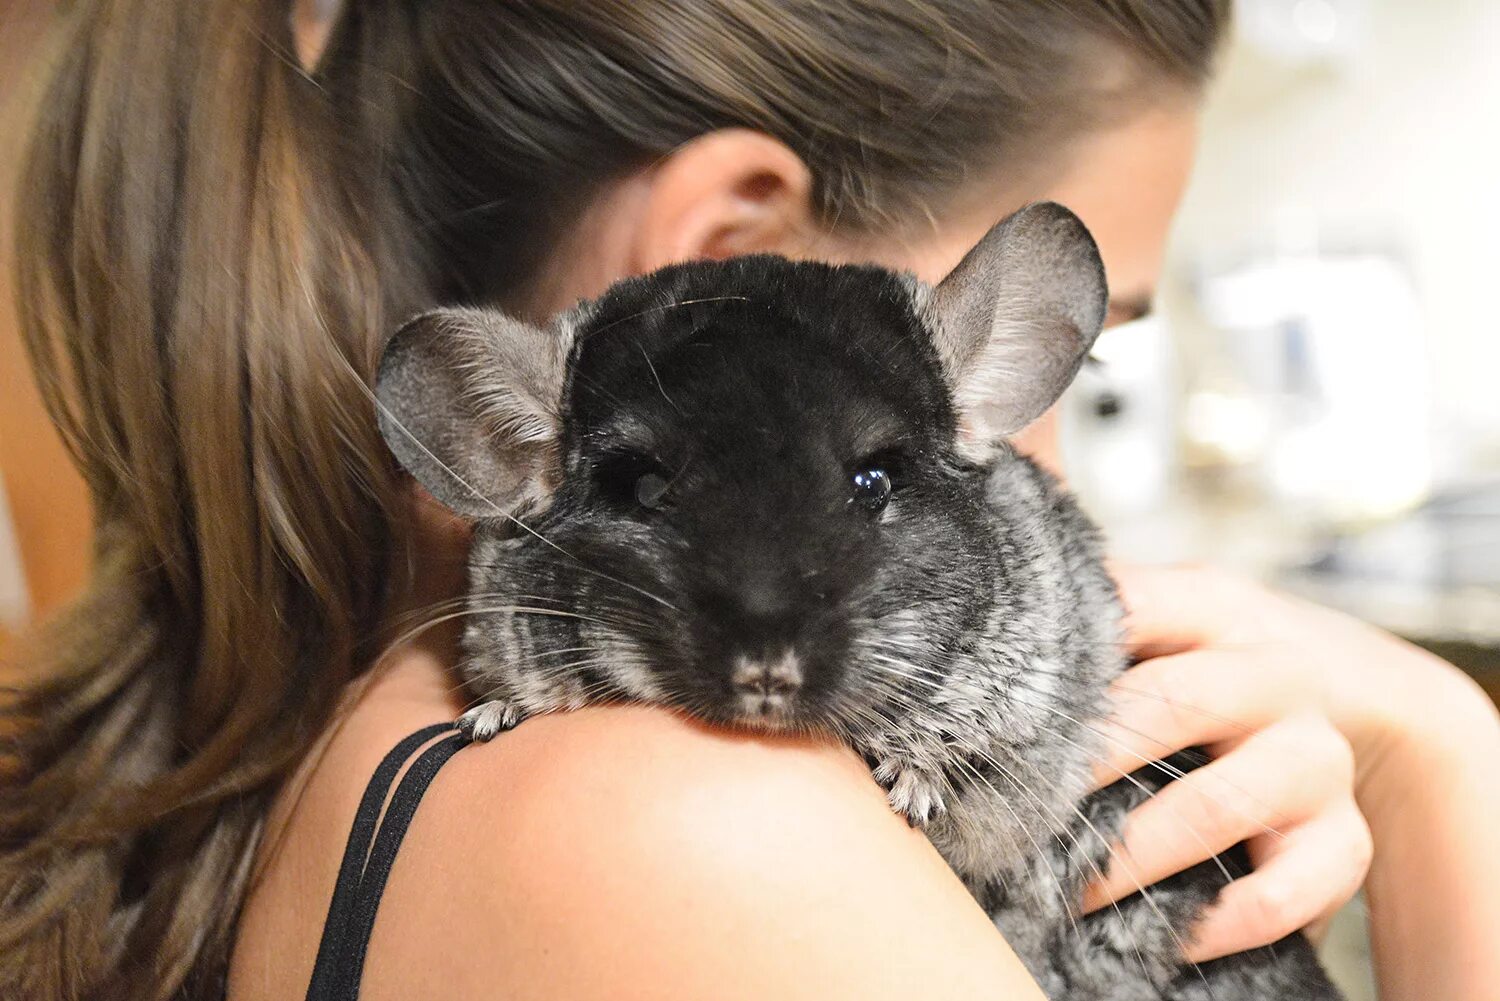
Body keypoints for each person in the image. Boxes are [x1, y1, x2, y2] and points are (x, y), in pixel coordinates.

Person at [2, 0, 1496, 998]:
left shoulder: (388, 709)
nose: (1041, 480)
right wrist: (1438, 757)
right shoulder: (700, 827)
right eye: (1029, 385)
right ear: (737, 255)